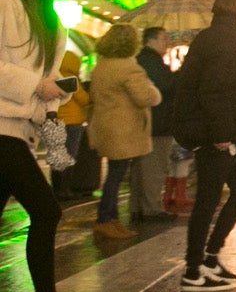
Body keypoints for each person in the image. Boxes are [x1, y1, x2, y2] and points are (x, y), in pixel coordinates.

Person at [0, 0, 106, 292]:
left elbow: (45, 83)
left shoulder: (50, 18)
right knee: (46, 211)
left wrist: (52, 99)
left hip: (18, 128)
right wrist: (35, 85)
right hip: (1, 127)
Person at [170, 0, 236, 292]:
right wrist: (223, 134)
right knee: (208, 200)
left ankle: (209, 257)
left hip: (228, 135)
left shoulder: (226, 39)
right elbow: (216, 91)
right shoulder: (226, 42)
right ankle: (193, 269)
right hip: (218, 136)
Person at [86, 23, 163, 239]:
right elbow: (146, 97)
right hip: (123, 129)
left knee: (114, 175)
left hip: (105, 126)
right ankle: (104, 219)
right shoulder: (129, 67)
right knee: (115, 177)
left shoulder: (102, 66)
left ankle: (111, 219)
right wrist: (152, 87)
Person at [133, 27, 178, 220]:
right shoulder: (150, 61)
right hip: (157, 122)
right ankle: (152, 209)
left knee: (142, 168)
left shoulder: (147, 60)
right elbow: (165, 86)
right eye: (163, 38)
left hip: (151, 122)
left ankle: (139, 208)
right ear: (151, 40)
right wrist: (179, 74)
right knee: (154, 167)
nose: (166, 42)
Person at [51, 50, 91, 201]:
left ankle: (56, 189)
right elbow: (83, 99)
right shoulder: (70, 78)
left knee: (56, 156)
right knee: (69, 156)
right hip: (72, 123)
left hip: (55, 120)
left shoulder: (53, 75)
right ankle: (64, 190)